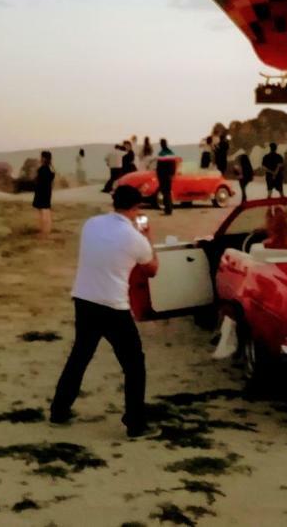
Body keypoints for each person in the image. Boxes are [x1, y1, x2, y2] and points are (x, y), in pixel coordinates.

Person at [50, 185, 159, 438]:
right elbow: (152, 269)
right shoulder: (134, 238)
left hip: (84, 298)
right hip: (113, 305)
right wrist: (147, 236)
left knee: (80, 355)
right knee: (134, 364)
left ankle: (59, 410)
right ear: (136, 208)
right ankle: (135, 423)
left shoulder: (91, 224)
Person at [33, 151, 55, 236]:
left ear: (44, 158)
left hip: (42, 192)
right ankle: (45, 230)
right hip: (46, 192)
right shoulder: (50, 168)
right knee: (45, 211)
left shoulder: (44, 169)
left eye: (41, 157)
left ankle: (44, 231)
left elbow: (41, 181)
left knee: (44, 212)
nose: (40, 158)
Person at [155, 139, 178, 215]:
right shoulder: (171, 153)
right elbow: (174, 165)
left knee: (165, 192)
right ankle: (169, 208)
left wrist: (158, 176)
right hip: (169, 176)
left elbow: (158, 168)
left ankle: (167, 209)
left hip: (162, 176)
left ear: (161, 144)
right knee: (168, 191)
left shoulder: (161, 154)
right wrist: (173, 174)